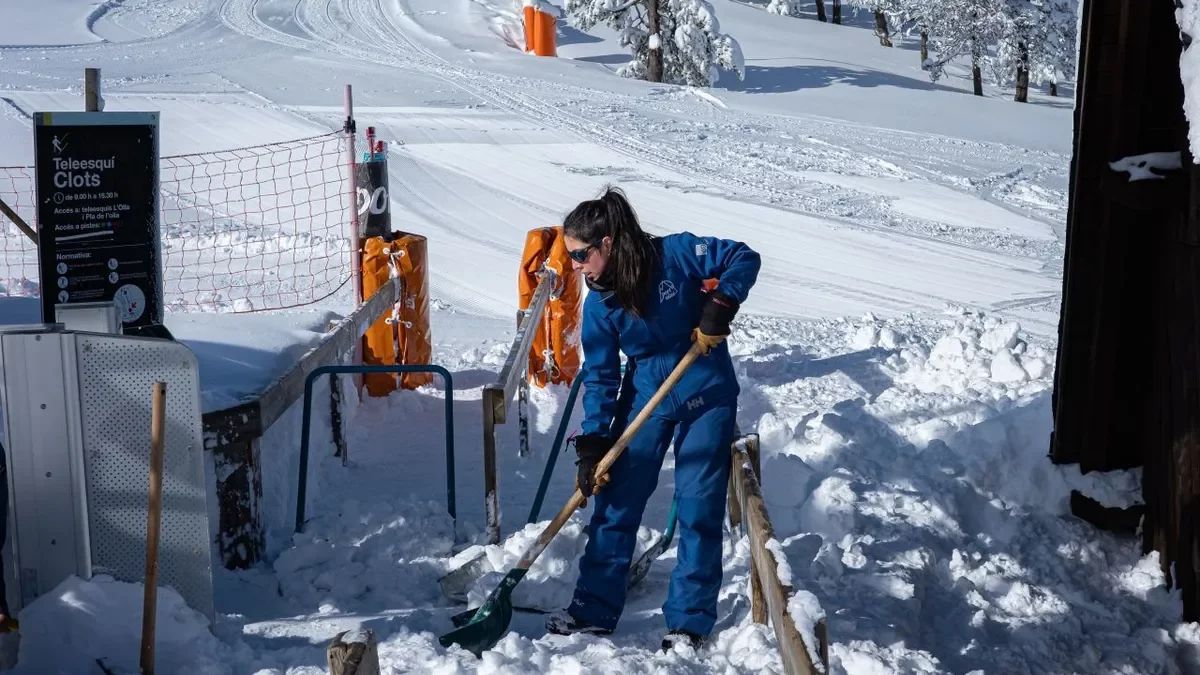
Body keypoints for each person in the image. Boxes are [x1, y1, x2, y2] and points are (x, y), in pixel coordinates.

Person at [545, 186, 761, 651]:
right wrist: (594, 442)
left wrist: (720, 304)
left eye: (581, 255)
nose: (576, 267)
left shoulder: (675, 254)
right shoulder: (599, 305)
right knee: (616, 500)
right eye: (571, 258)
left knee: (698, 506)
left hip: (705, 390)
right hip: (646, 397)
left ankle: (689, 621)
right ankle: (592, 610)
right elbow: (601, 376)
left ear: (607, 243)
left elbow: (744, 257)